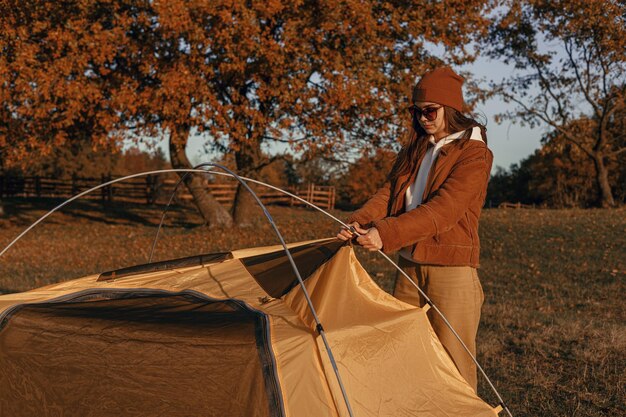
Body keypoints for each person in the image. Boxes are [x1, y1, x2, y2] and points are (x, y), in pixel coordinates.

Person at [337, 66, 493, 392]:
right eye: (416, 111)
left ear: (450, 108)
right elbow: (390, 194)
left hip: (451, 270)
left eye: (430, 110)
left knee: (454, 364)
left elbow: (444, 210)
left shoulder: (473, 153)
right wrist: (359, 222)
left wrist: (387, 234)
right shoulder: (418, 149)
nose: (423, 118)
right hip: (409, 267)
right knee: (405, 352)